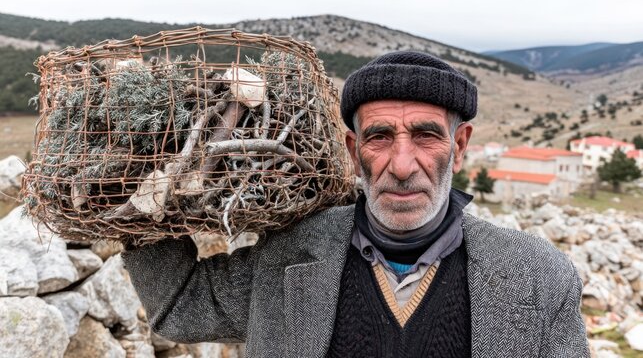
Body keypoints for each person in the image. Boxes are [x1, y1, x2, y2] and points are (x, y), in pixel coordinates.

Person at [123, 51, 590, 357]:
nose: (402, 165)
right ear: (352, 150)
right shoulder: (289, 252)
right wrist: (133, 176)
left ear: (460, 145)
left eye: (426, 136)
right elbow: (180, 307)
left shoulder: (539, 277)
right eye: (380, 137)